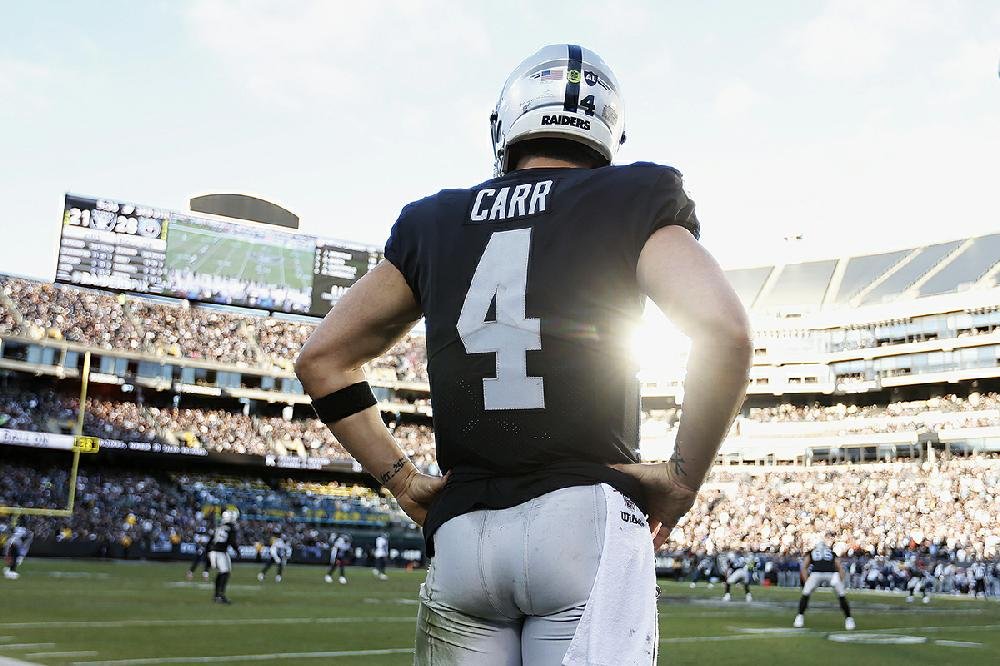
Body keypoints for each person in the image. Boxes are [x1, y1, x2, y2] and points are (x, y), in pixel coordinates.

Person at [295, 43, 751, 665]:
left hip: (461, 532)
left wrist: (402, 481)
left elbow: (321, 359)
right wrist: (682, 478)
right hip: (584, 519)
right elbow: (724, 331)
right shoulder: (635, 194)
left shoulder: (432, 221)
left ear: (507, 122)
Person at [794, 539, 855, 630]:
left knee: (805, 593)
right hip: (832, 574)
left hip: (816, 573)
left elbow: (804, 567)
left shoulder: (812, 552)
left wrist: (807, 581)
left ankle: (799, 617)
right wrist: (840, 581)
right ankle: (849, 619)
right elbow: (840, 567)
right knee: (841, 595)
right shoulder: (830, 552)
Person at [208, 510, 239, 604]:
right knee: (225, 573)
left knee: (222, 573)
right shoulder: (230, 528)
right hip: (220, 552)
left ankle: (217, 595)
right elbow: (232, 541)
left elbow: (212, 539)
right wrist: (237, 550)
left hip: (214, 551)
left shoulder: (219, 526)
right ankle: (220, 596)